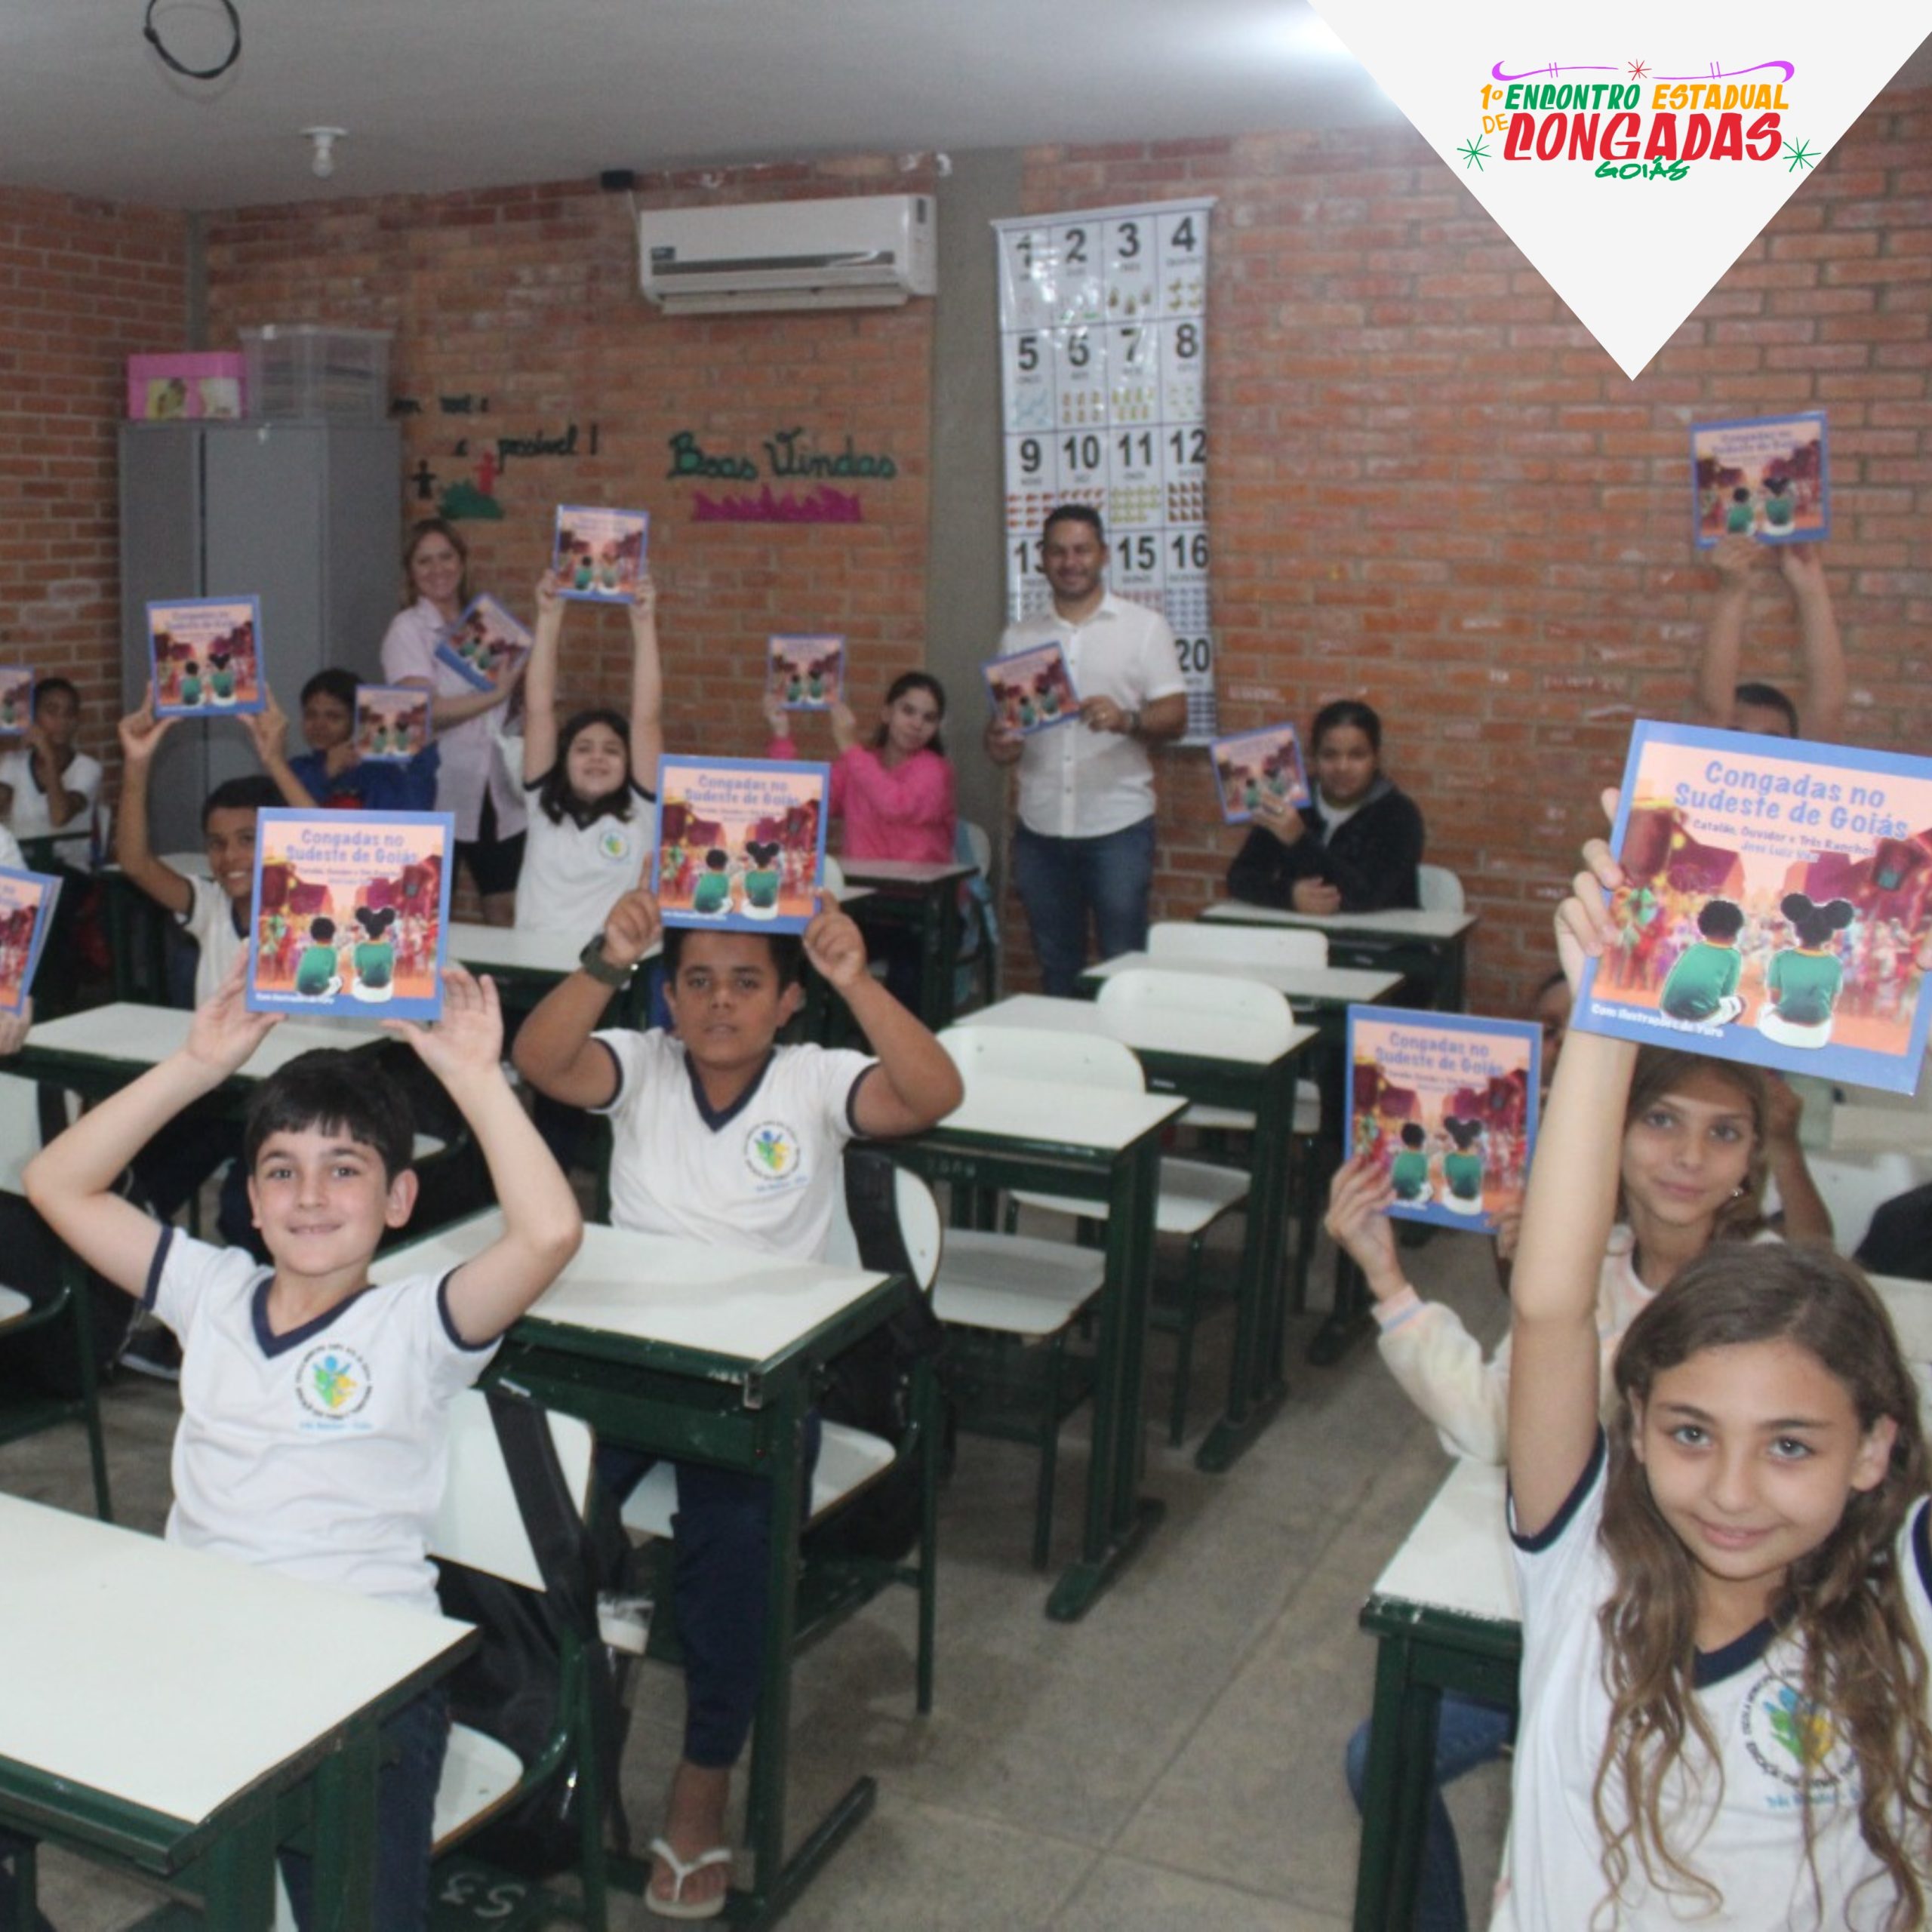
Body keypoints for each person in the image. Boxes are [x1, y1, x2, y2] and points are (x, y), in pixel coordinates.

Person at [22, 956, 583, 1930]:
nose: (310, 1195)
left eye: (345, 1169)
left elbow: (547, 1234)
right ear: (250, 1198)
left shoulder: (418, 1324)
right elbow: (56, 1182)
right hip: (205, 1643)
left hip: (368, 1685)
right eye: (282, 1170)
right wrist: (198, 1066)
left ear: (398, 1199)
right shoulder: (210, 1290)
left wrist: (473, 1077)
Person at [1492, 820, 1932, 1928]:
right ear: (1634, 1423)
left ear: (1874, 1448)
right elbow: (1550, 1306)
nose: (1732, 1492)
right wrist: (1607, 1002)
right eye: (1691, 1433)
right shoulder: (1583, 1571)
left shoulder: (1907, 1610)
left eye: (1791, 1445)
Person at [512, 890, 961, 1919]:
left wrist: (857, 978)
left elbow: (932, 1093)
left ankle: (703, 1777)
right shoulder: (639, 1066)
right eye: (699, 982)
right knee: (529, 1503)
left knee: (732, 1548)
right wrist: (608, 959)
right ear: (668, 999)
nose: (720, 1003)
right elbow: (541, 1060)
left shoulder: (816, 1080)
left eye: (748, 983)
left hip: (759, 1382)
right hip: (627, 1367)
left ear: (788, 1001)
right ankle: (547, 1731)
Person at [1327, 1038, 1828, 1932]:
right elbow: (1495, 1425)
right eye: (1661, 1121)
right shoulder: (1590, 1270)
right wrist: (1387, 1276)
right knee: (1384, 1760)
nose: (1687, 1157)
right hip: (1579, 1614)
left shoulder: (1771, 1301)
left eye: (1723, 1133)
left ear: (1753, 1156)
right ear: (1613, 1133)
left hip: (1717, 1649)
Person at [985, 506, 1186, 995]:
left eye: (1081, 550)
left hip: (1118, 826)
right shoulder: (1019, 636)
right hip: (1041, 828)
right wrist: (999, 741)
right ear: (1042, 558)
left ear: (1103, 555)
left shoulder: (1144, 627)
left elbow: (1176, 717)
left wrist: (1128, 720)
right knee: (1056, 966)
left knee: (1123, 964)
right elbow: (1004, 745)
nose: (1070, 562)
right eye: (1058, 551)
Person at [764, 670, 956, 1009]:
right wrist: (782, 736)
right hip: (862, 903)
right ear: (886, 713)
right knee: (795, 946)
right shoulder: (860, 762)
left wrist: (850, 746)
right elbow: (799, 805)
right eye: (908, 711)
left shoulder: (935, 771)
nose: (916, 724)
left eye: (928, 718)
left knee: (908, 972)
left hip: (919, 909)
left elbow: (895, 805)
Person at [380, 519, 527, 925]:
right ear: (410, 571)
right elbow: (423, 712)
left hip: (496, 783)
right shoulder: (407, 629)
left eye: (446, 557)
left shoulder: (486, 623)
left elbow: (509, 703)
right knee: (426, 913)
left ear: (462, 562)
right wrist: (494, 696)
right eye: (424, 561)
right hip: (437, 786)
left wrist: (518, 697)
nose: (437, 569)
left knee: (505, 910)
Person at [515, 568, 662, 935]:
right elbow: (538, 709)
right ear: (564, 761)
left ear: (629, 764)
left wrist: (643, 623)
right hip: (532, 963)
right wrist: (549, 616)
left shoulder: (641, 811)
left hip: (608, 967)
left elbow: (647, 718)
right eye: (583, 749)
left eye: (612, 750)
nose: (597, 757)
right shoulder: (542, 804)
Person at [1226, 699, 1424, 915]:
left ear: (1376, 759)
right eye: (1330, 755)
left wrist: (1299, 839)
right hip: (1302, 932)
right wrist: (1290, 896)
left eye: (1357, 755)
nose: (1342, 767)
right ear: (1315, 757)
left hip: (1382, 935)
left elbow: (1365, 897)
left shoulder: (1399, 814)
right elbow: (1239, 878)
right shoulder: (1292, 803)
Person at [1696, 534, 1846, 741]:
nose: (1752, 746)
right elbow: (1713, 713)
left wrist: (1811, 589)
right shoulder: (1703, 755)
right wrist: (1732, 589)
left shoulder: (1800, 761)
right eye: (1737, 734)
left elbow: (1828, 716)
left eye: (1770, 740)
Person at [248, 670, 439, 813]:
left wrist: (422, 753)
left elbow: (414, 816)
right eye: (311, 715)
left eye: (333, 717)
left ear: (359, 722)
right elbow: (280, 820)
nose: (319, 725)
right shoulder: (294, 770)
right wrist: (325, 773)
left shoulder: (381, 774)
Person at [0, 677, 101, 851]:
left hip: (67, 864)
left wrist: (49, 756)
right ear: (32, 716)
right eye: (52, 711)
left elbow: (59, 817)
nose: (62, 721)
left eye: (70, 713)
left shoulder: (88, 768)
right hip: (21, 861)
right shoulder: (15, 761)